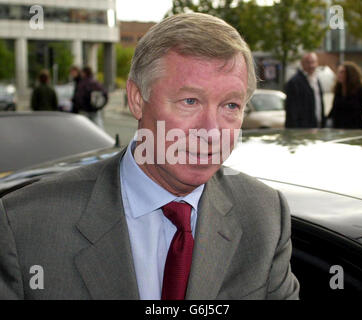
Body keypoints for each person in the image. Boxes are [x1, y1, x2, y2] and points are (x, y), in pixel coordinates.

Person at [0, 13, 299, 300]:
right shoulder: (25, 226)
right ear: (136, 99)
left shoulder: (265, 217)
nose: (212, 131)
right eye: (190, 101)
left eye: (231, 106)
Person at [328, 61, 362, 129]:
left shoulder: (359, 90)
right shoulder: (338, 90)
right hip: (338, 130)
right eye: (339, 72)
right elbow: (334, 109)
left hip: (354, 130)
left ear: (350, 74)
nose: (339, 74)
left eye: (342, 72)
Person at [284, 52, 326, 128]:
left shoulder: (316, 80)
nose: (311, 65)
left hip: (317, 127)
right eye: (308, 62)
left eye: (313, 62)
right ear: (302, 64)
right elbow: (292, 111)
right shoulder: (294, 82)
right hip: (303, 130)